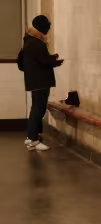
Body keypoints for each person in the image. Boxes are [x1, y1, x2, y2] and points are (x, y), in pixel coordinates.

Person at [19, 15, 63, 152]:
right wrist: (56, 62)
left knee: (36, 109)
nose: (48, 30)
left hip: (35, 81)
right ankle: (33, 140)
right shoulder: (36, 43)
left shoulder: (29, 41)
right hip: (41, 81)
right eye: (47, 27)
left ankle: (30, 137)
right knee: (39, 109)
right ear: (42, 28)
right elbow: (44, 61)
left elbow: (32, 61)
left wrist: (52, 58)